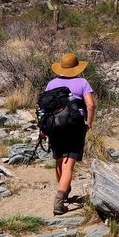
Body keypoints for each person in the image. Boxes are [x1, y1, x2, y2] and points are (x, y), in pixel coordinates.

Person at [45, 52, 96, 215]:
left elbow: (44, 108)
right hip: (74, 127)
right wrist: (89, 123)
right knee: (69, 164)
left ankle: (64, 189)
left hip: (54, 126)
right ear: (76, 68)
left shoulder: (52, 83)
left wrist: (43, 129)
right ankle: (59, 202)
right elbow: (91, 105)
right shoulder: (82, 82)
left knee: (59, 160)